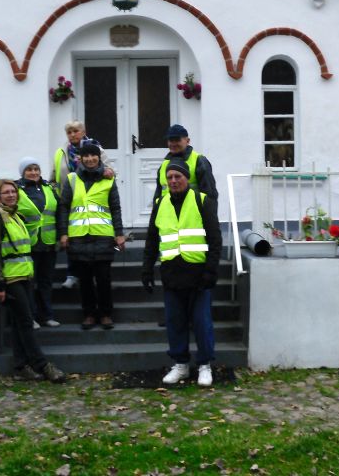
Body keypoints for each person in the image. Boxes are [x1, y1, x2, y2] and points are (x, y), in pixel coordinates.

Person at [141, 159, 222, 387]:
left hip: (198, 275)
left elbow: (215, 239)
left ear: (187, 178)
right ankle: (181, 364)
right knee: (175, 322)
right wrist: (147, 269)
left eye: (178, 177)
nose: (174, 181)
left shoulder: (202, 200)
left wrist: (211, 271)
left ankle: (204, 365)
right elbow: (152, 239)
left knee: (201, 322)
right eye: (170, 177)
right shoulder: (160, 203)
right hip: (171, 273)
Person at [0, 179, 66, 383]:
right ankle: (42, 365)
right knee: (27, 322)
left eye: (13, 192)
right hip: (10, 279)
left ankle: (20, 366)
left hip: (25, 276)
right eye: (6, 193)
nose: (11, 195)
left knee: (20, 323)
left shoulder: (16, 216)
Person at [57, 139, 126, 330]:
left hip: (103, 236)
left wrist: (119, 234)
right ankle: (88, 314)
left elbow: (115, 208)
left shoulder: (108, 179)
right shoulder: (72, 179)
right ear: (80, 159)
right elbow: (64, 207)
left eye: (93, 155)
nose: (89, 159)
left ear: (98, 157)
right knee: (85, 280)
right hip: (78, 237)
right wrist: (63, 233)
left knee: (103, 279)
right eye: (85, 156)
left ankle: (105, 314)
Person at [51, 120, 113, 289]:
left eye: (76, 131)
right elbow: (54, 177)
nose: (73, 135)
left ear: (83, 131)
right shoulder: (61, 152)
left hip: (91, 198)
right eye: (69, 132)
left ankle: (91, 274)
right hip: (69, 199)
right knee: (72, 236)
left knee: (89, 239)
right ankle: (72, 274)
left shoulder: (95, 148)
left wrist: (104, 171)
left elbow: (110, 171)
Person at [16, 157, 60, 329]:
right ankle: (31, 317)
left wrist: (62, 235)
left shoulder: (49, 188)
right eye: (29, 169)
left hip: (48, 243)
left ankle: (47, 316)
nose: (33, 172)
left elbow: (58, 212)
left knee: (46, 282)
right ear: (23, 172)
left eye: (36, 169)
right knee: (29, 283)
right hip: (28, 244)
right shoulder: (16, 189)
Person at [152, 124, 218, 201]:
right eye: (171, 140)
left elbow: (210, 196)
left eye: (177, 140)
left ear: (187, 141)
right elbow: (158, 196)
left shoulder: (199, 161)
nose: (173, 144)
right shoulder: (164, 164)